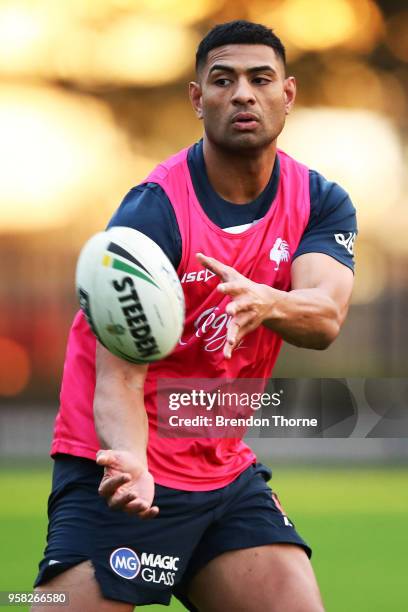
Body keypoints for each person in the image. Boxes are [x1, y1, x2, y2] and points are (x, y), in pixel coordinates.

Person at [33, 20, 357, 612]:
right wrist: (130, 462)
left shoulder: (320, 201)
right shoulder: (152, 213)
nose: (242, 94)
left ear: (287, 94)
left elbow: (326, 316)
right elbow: (118, 379)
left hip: (222, 472)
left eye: (260, 79)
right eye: (223, 80)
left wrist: (270, 301)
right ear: (197, 98)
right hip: (121, 469)